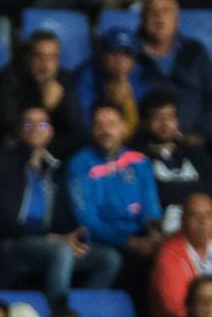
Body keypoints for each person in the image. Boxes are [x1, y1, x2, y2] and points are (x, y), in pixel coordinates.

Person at [0, 104, 120, 306]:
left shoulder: (55, 169)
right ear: (20, 131)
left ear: (51, 132)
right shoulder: (4, 163)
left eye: (43, 123)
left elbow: (60, 218)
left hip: (49, 240)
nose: (37, 127)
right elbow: (3, 219)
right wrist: (52, 238)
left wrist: (72, 236)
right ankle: (59, 315)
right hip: (16, 240)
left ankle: (83, 316)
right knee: (62, 252)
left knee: (108, 259)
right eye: (30, 124)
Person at [68, 102, 162, 273]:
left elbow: (151, 206)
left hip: (140, 235)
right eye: (99, 125)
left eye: (111, 124)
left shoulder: (139, 161)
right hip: (104, 240)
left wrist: (154, 234)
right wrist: (129, 241)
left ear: (124, 128)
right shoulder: (80, 164)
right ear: (92, 130)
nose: (105, 131)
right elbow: (87, 221)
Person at [135, 0, 212, 144]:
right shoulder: (128, 54)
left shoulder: (194, 51)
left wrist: (201, 134)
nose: (159, 15)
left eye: (166, 10)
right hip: (145, 143)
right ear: (143, 18)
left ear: (177, 20)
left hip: (193, 141)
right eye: (153, 11)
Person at [133, 91, 212, 235]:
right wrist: (195, 188)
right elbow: (153, 194)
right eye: (157, 117)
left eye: (170, 116)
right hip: (161, 233)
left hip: (207, 230)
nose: (165, 123)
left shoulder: (193, 151)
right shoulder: (135, 156)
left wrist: (173, 190)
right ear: (144, 122)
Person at [0, 31, 83, 160]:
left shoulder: (65, 79)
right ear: (28, 57)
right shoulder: (9, 78)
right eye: (39, 57)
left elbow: (74, 125)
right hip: (20, 143)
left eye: (51, 58)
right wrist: (45, 109)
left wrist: (61, 102)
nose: (45, 65)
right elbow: (9, 122)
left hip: (54, 146)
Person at [75, 27, 143, 139]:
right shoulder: (87, 75)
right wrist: (110, 100)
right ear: (103, 55)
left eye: (127, 54)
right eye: (114, 53)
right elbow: (84, 122)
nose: (120, 60)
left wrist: (128, 102)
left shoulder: (140, 75)